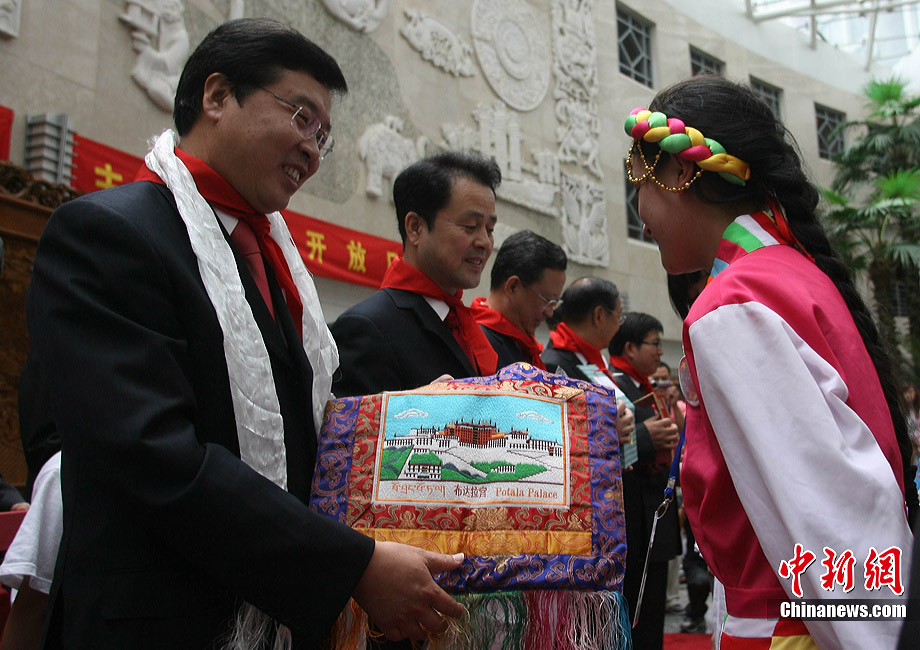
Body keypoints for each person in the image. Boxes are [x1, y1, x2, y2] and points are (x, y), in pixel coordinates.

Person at [24, 19, 465, 649]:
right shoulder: (108, 234)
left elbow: (303, 428)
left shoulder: (266, 259)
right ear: (217, 96)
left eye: (324, 136)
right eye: (302, 117)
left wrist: (410, 417)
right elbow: (153, 456)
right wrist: (353, 567)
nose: (313, 150)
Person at [624, 76, 914, 648]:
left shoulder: (734, 303)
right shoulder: (790, 273)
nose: (639, 210)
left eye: (638, 179)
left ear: (680, 171)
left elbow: (827, 517)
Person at [331, 151, 501, 398]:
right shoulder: (368, 327)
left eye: (490, 229)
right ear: (415, 227)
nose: (485, 242)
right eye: (470, 227)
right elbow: (355, 423)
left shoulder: (464, 325)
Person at [607, 313, 681, 650]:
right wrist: (646, 437)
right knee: (637, 619)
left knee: (652, 617)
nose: (660, 352)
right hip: (634, 519)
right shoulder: (611, 383)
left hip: (654, 512)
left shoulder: (644, 386)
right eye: (654, 344)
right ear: (630, 348)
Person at [470, 230, 567, 369]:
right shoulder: (475, 343)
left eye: (555, 303)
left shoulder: (523, 344)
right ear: (513, 287)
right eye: (547, 300)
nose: (550, 313)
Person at [540, 276, 621, 382]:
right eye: (618, 317)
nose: (618, 326)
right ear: (598, 316)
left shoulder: (587, 360)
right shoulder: (553, 367)